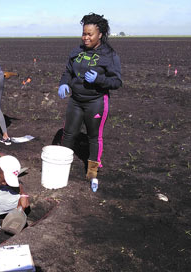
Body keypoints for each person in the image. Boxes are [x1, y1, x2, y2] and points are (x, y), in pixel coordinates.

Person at [58, 13, 122, 184]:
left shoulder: (109, 55)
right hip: (76, 101)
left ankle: (92, 172)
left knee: (94, 136)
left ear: (99, 34)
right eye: (84, 33)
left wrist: (99, 79)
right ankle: (62, 166)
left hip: (96, 102)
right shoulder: (76, 51)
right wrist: (64, 83)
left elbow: (117, 81)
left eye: (90, 34)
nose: (85, 37)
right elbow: (68, 72)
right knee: (69, 133)